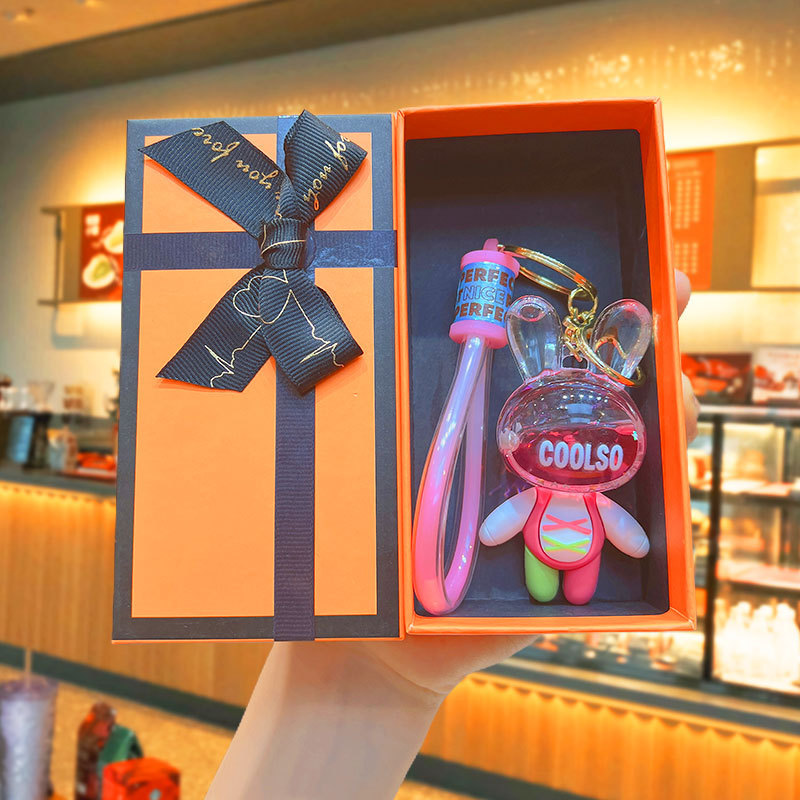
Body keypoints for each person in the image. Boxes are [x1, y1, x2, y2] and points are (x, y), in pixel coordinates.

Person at [207, 272, 698, 800]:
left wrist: (379, 678)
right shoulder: (537, 468)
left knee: (577, 590)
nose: (572, 438)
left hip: (573, 543)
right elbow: (505, 525)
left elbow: (615, 532)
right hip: (538, 542)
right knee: (542, 582)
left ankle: (572, 588)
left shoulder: (582, 479)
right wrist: (371, 669)